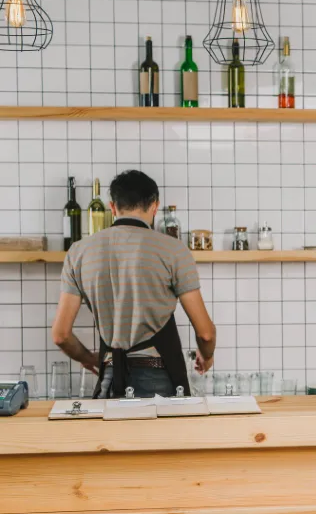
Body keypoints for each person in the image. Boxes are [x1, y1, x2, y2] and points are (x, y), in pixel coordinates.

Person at [51, 170, 216, 398]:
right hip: (159, 383)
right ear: (155, 206)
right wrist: (206, 355)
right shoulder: (173, 250)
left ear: (112, 207)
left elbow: (60, 335)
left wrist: (89, 359)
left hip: (109, 380)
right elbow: (206, 334)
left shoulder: (78, 252)